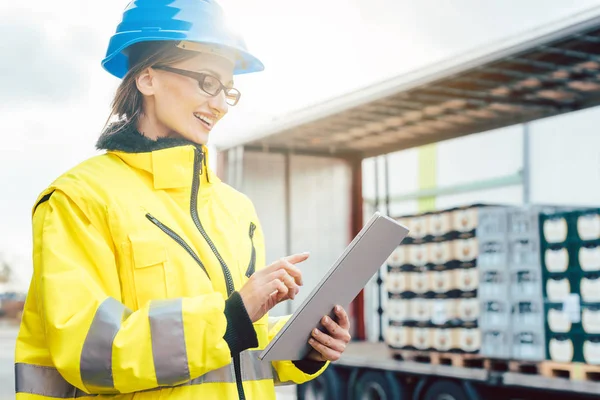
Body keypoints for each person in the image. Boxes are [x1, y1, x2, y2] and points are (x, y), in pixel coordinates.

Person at [14, 1, 351, 399]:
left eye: (228, 90)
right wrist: (233, 315)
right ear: (147, 78)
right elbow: (92, 352)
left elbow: (237, 349)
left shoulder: (235, 209)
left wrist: (303, 347)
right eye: (207, 82)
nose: (221, 104)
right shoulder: (80, 199)